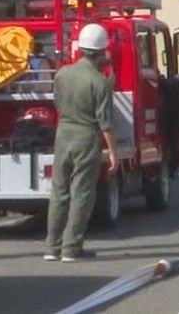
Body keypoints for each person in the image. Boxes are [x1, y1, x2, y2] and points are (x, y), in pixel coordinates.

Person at [43, 23, 119, 262]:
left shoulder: (62, 74)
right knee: (82, 194)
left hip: (63, 135)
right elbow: (105, 122)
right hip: (87, 138)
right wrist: (114, 152)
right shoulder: (101, 83)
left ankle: (52, 248)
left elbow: (57, 103)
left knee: (59, 193)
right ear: (102, 52)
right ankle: (71, 248)